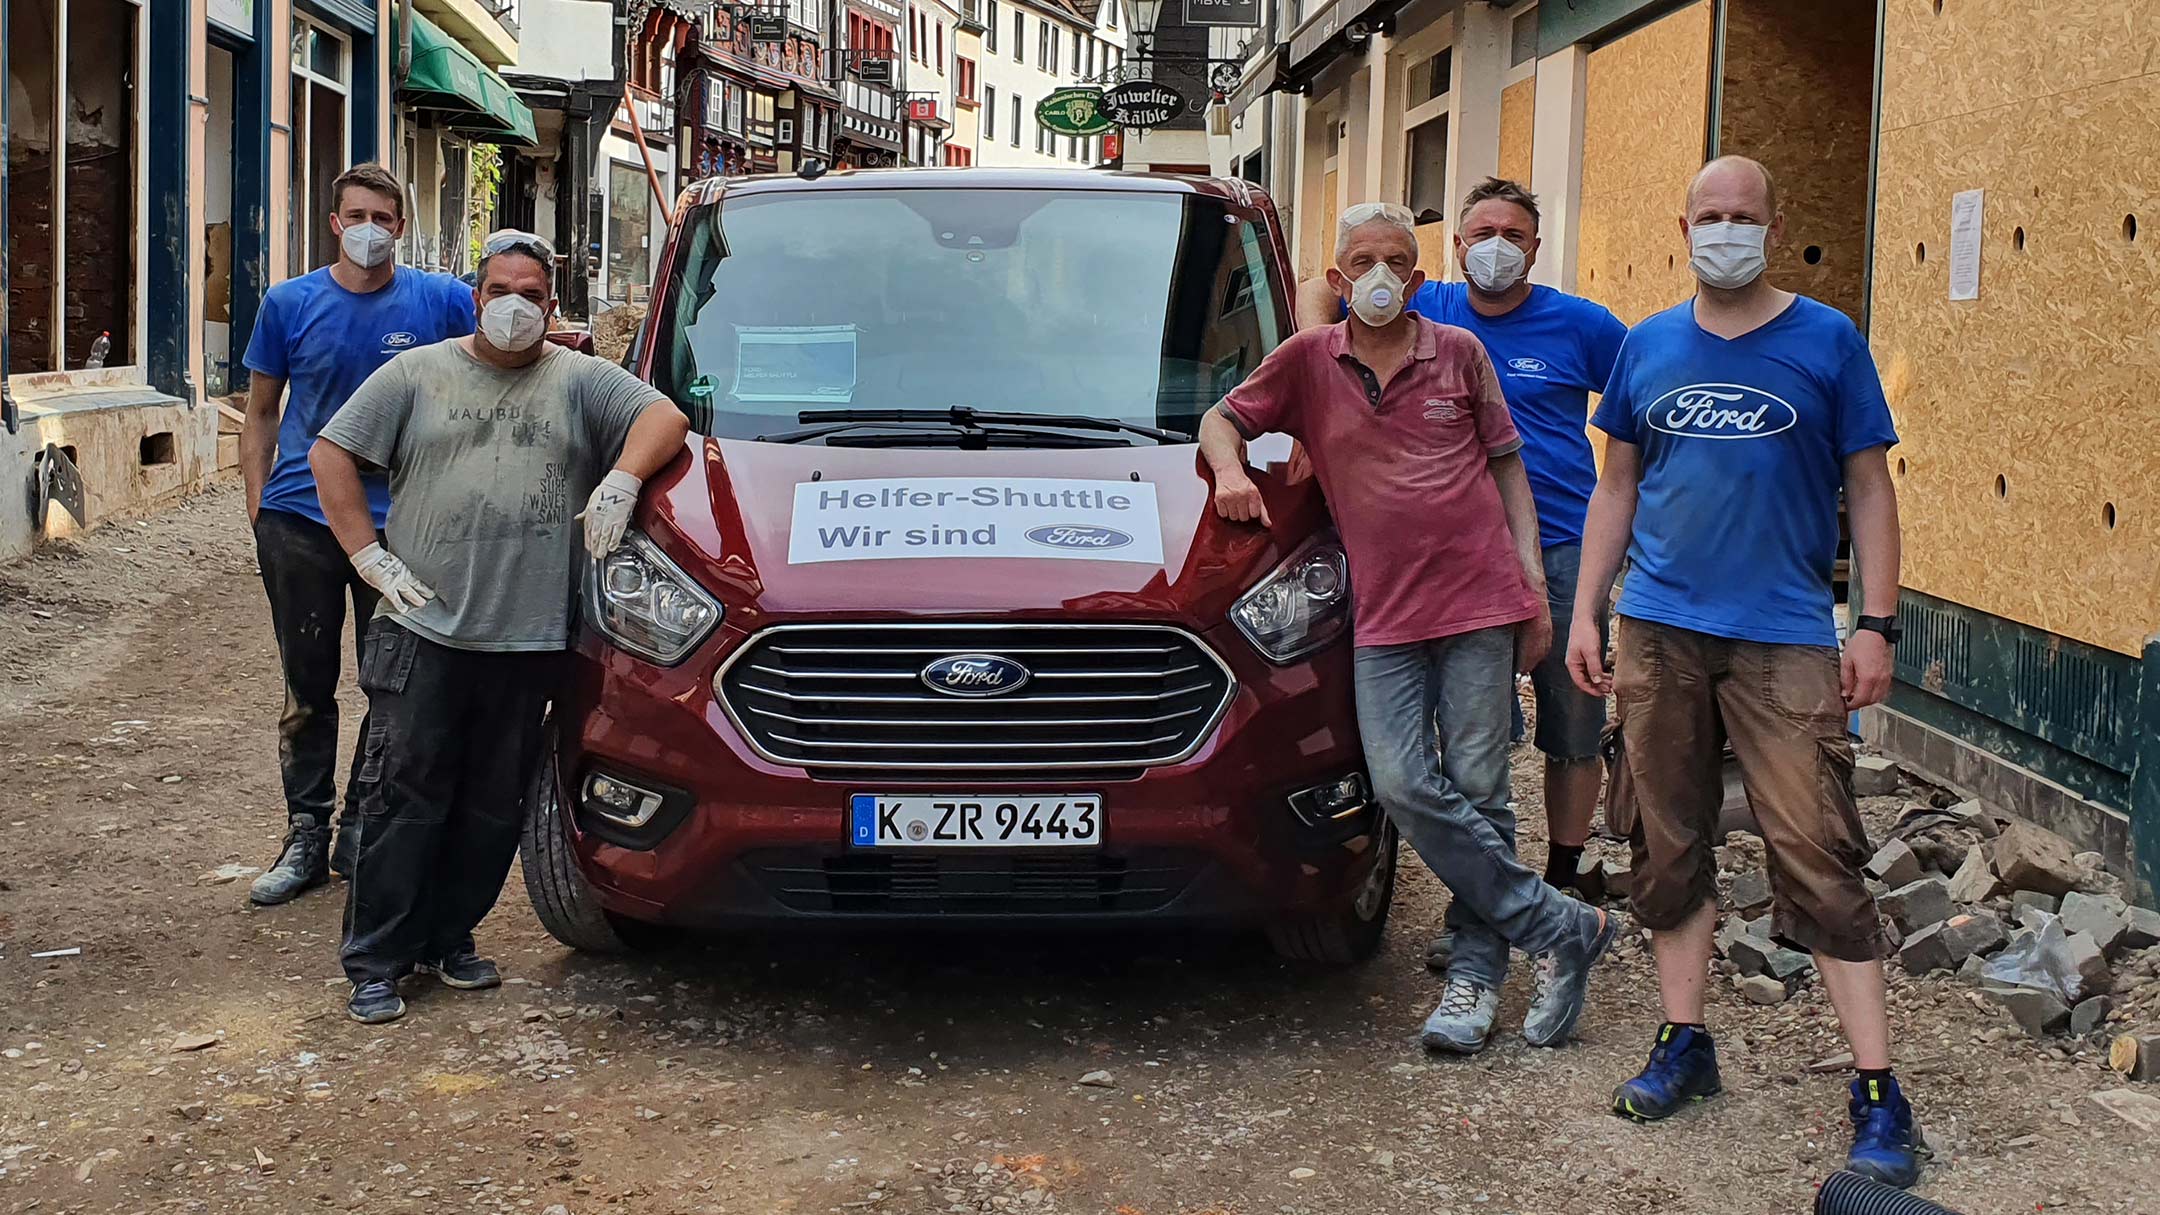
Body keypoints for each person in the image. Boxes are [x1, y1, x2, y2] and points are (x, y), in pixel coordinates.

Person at [1567, 156, 1919, 1186]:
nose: (1727, 229)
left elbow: (1869, 488)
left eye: (1745, 215)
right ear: (1685, 229)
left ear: (1773, 224)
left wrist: (1876, 625)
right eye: (1711, 216)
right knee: (1664, 844)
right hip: (1661, 629)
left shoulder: (1828, 341)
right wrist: (1589, 610)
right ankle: (1686, 1042)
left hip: (1785, 637)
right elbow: (1616, 486)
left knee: (1818, 850)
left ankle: (1877, 1089)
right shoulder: (1647, 345)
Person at [1202, 203, 1615, 1054]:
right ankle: (1560, 924)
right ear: (1339, 278)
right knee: (1398, 783)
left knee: (1477, 786)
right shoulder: (1309, 362)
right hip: (1383, 615)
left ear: (1422, 279)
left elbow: (1509, 469)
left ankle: (1476, 968)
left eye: (1397, 259)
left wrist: (1533, 588)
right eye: (1363, 260)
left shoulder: (1459, 353)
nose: (1381, 275)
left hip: (1477, 603)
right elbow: (1222, 418)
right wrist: (1231, 471)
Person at [310, 230, 690, 1024]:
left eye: (532, 294)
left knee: (491, 804)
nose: (514, 306)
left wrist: (621, 477)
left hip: (527, 639)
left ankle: (451, 937)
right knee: (401, 795)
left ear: (552, 306)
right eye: (499, 291)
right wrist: (367, 558)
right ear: (475, 296)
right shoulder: (417, 373)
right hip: (425, 628)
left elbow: (664, 418)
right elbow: (331, 452)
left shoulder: (580, 381)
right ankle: (378, 958)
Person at [1301, 179, 1629, 960]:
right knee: (1477, 748)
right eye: (1482, 231)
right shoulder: (1431, 307)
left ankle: (1559, 871)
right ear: (1454, 248)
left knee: (1571, 722)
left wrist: (1628, 506)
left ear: (1536, 247)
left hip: (1560, 544)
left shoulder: (1581, 324)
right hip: (1461, 562)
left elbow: (1638, 405)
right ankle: (1491, 898)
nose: (1496, 247)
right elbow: (1325, 285)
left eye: (1513, 234)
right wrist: (1316, 347)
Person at [238, 162, 476, 906]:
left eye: (384, 216)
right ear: (333, 222)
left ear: (401, 226)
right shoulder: (289, 303)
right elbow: (262, 411)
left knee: (393, 685)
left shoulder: (440, 302)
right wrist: (259, 508)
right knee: (307, 687)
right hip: (303, 521)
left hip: (403, 525)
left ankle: (362, 827)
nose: (370, 229)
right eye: (356, 215)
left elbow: (488, 378)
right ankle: (304, 832)